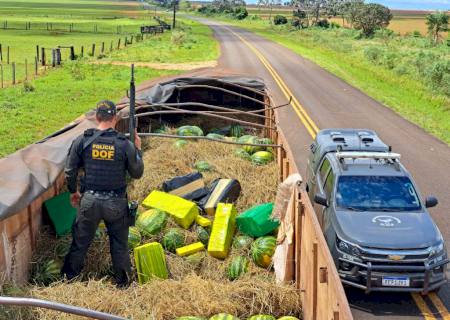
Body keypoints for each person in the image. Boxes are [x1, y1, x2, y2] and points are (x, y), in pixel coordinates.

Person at [62, 100, 144, 288]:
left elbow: (70, 170)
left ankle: (67, 282)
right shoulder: (124, 144)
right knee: (119, 246)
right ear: (114, 118)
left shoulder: (83, 139)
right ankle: (123, 284)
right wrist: (137, 148)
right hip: (116, 203)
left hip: (89, 201)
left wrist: (73, 191)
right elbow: (137, 174)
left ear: (96, 117)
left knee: (80, 243)